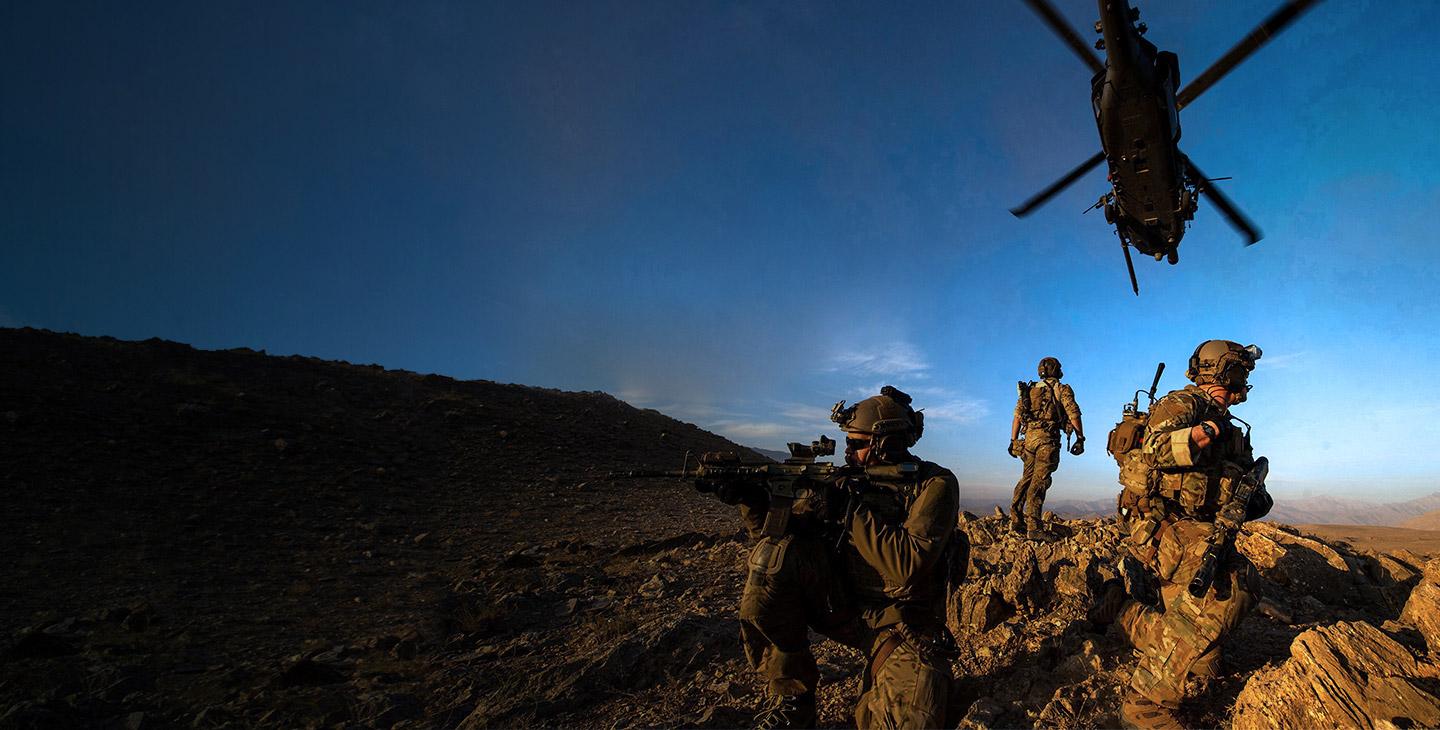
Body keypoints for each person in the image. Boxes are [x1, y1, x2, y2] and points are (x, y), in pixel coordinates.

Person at [734, 386, 963, 729]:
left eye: (857, 444)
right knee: (770, 558)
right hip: (843, 609)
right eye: (847, 443)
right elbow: (779, 543)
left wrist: (848, 511)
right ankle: (793, 698)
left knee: (912, 719)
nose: (849, 453)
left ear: (887, 442)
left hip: (902, 624)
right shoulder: (843, 482)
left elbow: (908, 566)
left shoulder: (934, 484)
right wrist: (751, 501)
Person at [1094, 340, 1272, 730]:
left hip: (1198, 532)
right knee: (1235, 584)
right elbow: (1156, 449)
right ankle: (1145, 705)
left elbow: (1249, 495)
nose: (1244, 386)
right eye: (1240, 375)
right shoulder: (1184, 405)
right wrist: (1200, 433)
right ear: (1219, 372)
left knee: (1202, 662)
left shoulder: (1233, 429)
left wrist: (1252, 497)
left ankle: (1121, 611)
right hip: (1164, 529)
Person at [1009, 356, 1085, 540]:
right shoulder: (1062, 389)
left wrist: (1013, 441)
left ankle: (1016, 518)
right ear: (1057, 371)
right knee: (1039, 481)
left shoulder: (1030, 390)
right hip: (1046, 441)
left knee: (1026, 478)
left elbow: (1018, 417)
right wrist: (1080, 437)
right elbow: (1073, 412)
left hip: (1028, 441)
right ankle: (1034, 527)